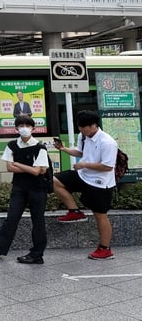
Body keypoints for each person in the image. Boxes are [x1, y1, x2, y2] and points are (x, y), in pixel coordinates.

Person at [52, 110, 117, 260]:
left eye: (84, 128)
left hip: (100, 183)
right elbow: (80, 152)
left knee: (100, 215)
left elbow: (107, 167)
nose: (81, 131)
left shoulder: (107, 142)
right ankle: (74, 211)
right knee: (54, 181)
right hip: (83, 175)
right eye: (79, 127)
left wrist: (84, 165)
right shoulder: (83, 136)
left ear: (94, 125)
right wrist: (63, 149)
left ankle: (105, 249)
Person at [0, 116, 49, 264]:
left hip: (38, 189)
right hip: (19, 188)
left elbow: (37, 172)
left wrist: (19, 164)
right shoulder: (12, 145)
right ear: (16, 129)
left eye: (28, 125)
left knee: (38, 221)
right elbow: (9, 167)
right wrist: (31, 168)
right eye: (21, 125)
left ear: (33, 128)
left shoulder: (40, 147)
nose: (24, 128)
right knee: (11, 218)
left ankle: (37, 254)